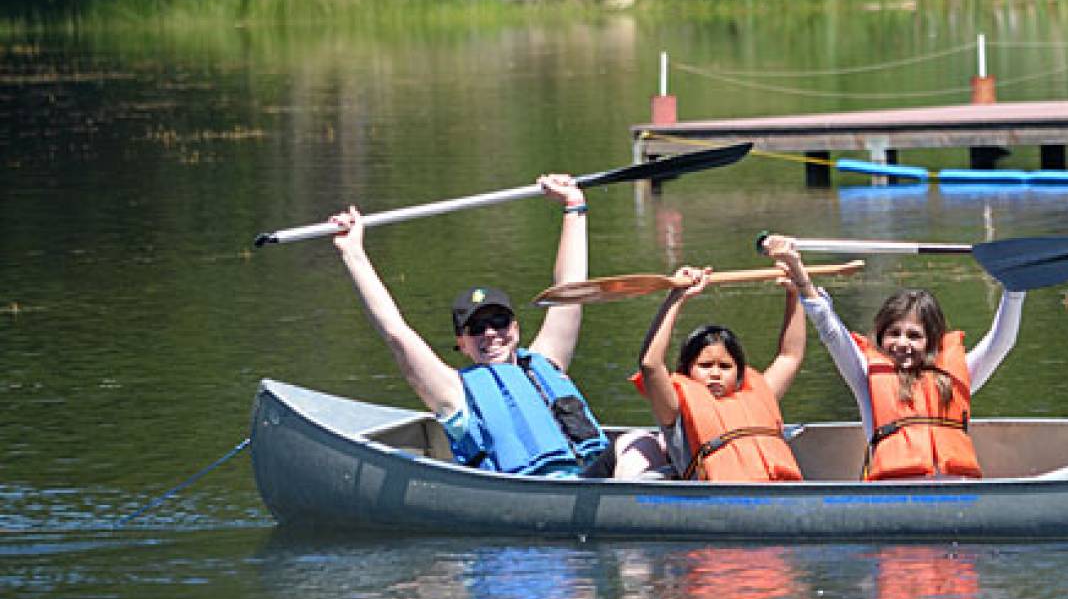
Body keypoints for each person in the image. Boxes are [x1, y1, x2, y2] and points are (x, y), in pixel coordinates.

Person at [327, 173, 614, 478]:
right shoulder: (453, 393)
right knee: (631, 449)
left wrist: (574, 205)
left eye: (498, 321)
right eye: (476, 328)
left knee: (641, 444)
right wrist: (353, 253)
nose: (490, 333)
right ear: (461, 343)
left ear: (515, 329)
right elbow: (396, 331)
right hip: (540, 491)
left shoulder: (548, 362)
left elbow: (571, 287)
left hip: (596, 477)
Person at [761, 234, 1024, 481]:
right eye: (893, 333)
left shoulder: (954, 377)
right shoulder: (867, 376)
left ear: (931, 341)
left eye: (914, 336)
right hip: (894, 495)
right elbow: (830, 329)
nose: (902, 343)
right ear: (881, 336)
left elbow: (1001, 343)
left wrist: (1015, 288)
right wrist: (797, 270)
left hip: (958, 494)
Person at [630, 262, 806, 481]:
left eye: (725, 366)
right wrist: (676, 298)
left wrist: (795, 292)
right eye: (705, 366)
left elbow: (790, 355)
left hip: (778, 493)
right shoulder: (674, 409)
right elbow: (650, 364)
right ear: (687, 370)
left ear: (739, 374)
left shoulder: (758, 392)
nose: (715, 374)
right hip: (717, 499)